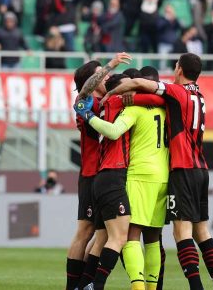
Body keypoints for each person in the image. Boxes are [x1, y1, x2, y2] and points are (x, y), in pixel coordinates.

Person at [105, 53, 213, 290]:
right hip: (201, 169)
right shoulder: (199, 96)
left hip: (183, 169)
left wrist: (114, 93)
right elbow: (160, 102)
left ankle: (196, 287)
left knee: (182, 232)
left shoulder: (177, 92)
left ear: (179, 69)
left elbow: (140, 83)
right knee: (203, 231)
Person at [67, 53, 132, 290]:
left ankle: (85, 285)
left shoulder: (105, 102)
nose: (107, 77)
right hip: (92, 173)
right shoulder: (85, 103)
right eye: (100, 74)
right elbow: (85, 92)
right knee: (85, 232)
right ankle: (75, 286)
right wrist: (110, 64)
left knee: (103, 235)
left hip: (104, 173)